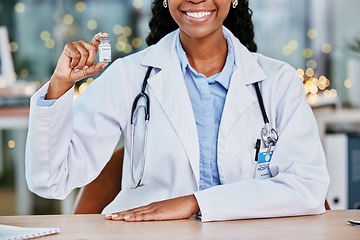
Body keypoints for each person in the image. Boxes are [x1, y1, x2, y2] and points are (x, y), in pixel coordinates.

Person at [25, 0, 330, 222]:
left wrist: (195, 202)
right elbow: (51, 179)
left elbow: (307, 187)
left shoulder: (277, 81)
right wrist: (60, 85)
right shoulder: (130, 75)